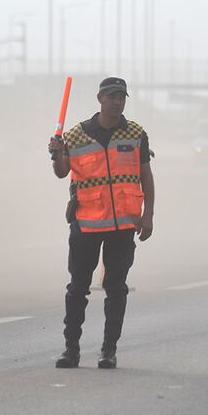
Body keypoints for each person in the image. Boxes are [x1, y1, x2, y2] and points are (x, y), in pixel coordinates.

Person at [47, 77, 155, 370]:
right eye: (111, 96)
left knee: (116, 288)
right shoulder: (74, 136)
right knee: (77, 288)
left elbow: (146, 175)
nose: (117, 101)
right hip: (86, 224)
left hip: (123, 225)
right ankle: (71, 350)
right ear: (100, 99)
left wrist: (149, 214)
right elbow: (61, 172)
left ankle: (109, 350)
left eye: (121, 96)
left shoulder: (136, 134)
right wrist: (57, 153)